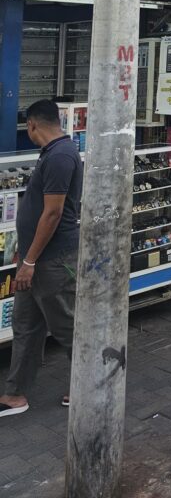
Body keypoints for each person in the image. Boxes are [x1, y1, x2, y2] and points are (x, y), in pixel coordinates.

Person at [0, 100, 82, 417]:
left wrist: (30, 261)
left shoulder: (61, 156)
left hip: (52, 260)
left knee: (67, 328)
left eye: (27, 128)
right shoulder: (52, 152)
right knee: (25, 326)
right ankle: (16, 394)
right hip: (35, 259)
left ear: (33, 125)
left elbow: (53, 213)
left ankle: (86, 386)